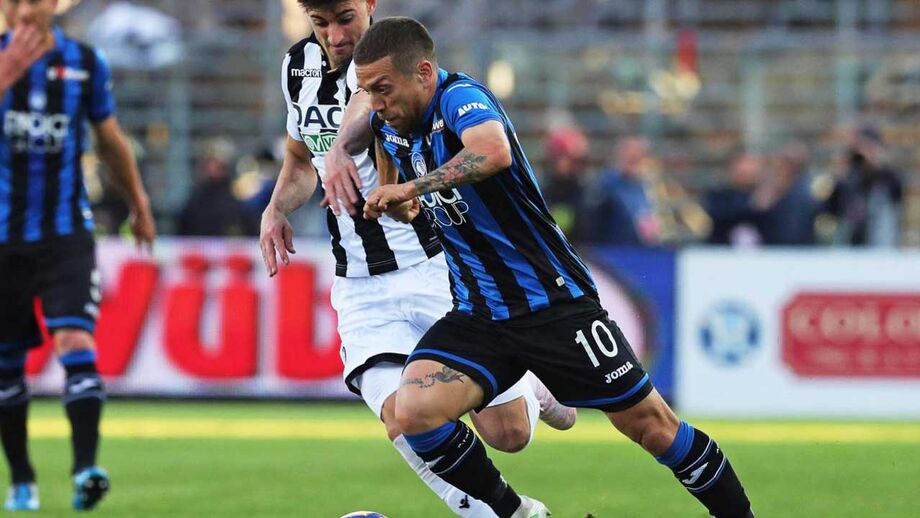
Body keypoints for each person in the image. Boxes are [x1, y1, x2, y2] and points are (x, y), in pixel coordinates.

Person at [352, 17, 754, 517]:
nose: (376, 103)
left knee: (653, 427)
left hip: (553, 303)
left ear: (424, 72)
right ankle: (516, 513)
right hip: (480, 313)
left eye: (383, 89)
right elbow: (398, 190)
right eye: (367, 92)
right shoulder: (389, 128)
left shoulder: (459, 97)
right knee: (415, 413)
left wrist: (411, 188)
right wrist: (399, 203)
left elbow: (492, 152)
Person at [258, 2, 574, 517]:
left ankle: (528, 382)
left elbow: (361, 105)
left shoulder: (388, 64)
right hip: (359, 284)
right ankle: (512, 513)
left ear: (370, 5)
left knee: (509, 434)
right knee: (402, 419)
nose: (335, 37)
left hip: (433, 268)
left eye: (345, 18)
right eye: (320, 23)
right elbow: (299, 159)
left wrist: (340, 148)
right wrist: (275, 208)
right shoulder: (297, 66)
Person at [0, 0, 156, 511]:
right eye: (13, 0)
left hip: (66, 234)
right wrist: (6, 73)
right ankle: (21, 477)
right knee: (7, 364)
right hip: (2, 241)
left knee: (74, 337)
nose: (24, 10)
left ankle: (85, 469)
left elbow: (109, 139)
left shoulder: (85, 62)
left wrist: (138, 202)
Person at [587, 136, 662, 245]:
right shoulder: (607, 184)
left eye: (638, 158)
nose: (635, 162)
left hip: (639, 249)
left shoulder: (641, 186)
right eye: (631, 157)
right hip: (612, 248)